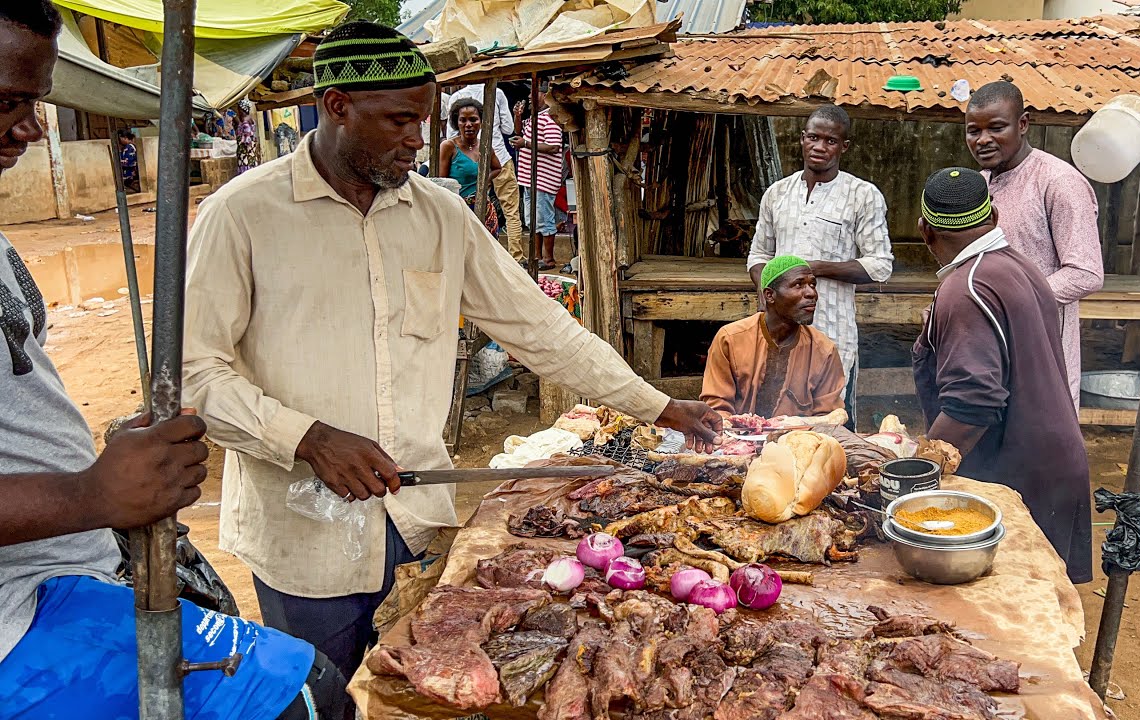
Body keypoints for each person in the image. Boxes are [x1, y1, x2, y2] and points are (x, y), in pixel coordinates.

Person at [182, 20, 722, 690]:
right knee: (323, 693)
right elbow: (194, 376)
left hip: (417, 518)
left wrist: (658, 405)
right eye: (400, 120)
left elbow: (539, 327)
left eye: (423, 119)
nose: (418, 139)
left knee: (422, 688)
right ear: (338, 107)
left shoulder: (439, 214)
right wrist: (309, 439)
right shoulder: (241, 216)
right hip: (303, 534)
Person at [0, 3, 348, 718]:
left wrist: (102, 478)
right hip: (16, 620)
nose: (34, 128)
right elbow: (203, 367)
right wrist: (88, 496)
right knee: (307, 696)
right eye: (9, 100)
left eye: (36, 102)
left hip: (70, 564)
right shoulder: (243, 210)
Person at [912, 167, 1092, 583]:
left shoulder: (967, 287)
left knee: (1013, 611)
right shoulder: (1021, 266)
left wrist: (921, 473)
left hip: (1015, 475)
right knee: (1042, 609)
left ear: (924, 230)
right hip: (1053, 460)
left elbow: (972, 402)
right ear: (993, 216)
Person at [747, 104, 894, 427]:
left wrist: (812, 269)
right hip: (778, 331)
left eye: (830, 140)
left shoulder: (862, 195)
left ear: (844, 146)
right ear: (802, 139)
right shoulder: (777, 194)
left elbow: (879, 265)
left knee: (834, 424)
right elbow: (758, 256)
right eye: (814, 137)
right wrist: (766, 295)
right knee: (776, 421)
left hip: (833, 331)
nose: (819, 146)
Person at [964, 81, 1104, 407]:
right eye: (974, 131)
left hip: (1041, 342)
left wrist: (1010, 301)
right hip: (990, 342)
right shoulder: (981, 184)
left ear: (1023, 124)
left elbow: (1086, 272)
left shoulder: (1058, 182)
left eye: (996, 128)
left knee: (1040, 432)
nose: (983, 140)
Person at [702, 255, 845, 418]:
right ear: (769, 295)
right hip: (736, 439)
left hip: (797, 441)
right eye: (798, 285)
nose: (812, 293)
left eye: (813, 285)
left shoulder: (824, 350)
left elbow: (828, 418)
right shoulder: (730, 339)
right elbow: (717, 408)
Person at [447, 83, 524, 262]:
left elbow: (451, 134)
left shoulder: (456, 96)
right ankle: (517, 258)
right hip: (500, 157)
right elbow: (507, 128)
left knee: (469, 212)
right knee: (511, 211)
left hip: (470, 161)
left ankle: (476, 257)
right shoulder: (497, 93)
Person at [430, 96, 500, 235]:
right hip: (458, 210)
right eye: (463, 120)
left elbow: (497, 168)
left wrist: (485, 181)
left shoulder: (485, 147)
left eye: (473, 119)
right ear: (457, 123)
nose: (468, 124)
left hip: (483, 210)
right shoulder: (449, 146)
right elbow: (441, 182)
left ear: (481, 122)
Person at [511, 89, 563, 271]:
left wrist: (525, 144)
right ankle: (537, 256)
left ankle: (548, 259)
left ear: (544, 95)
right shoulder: (534, 118)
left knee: (543, 219)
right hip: (530, 178)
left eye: (533, 94)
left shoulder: (550, 118)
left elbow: (554, 146)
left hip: (543, 178)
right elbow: (519, 132)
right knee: (532, 219)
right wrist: (517, 116)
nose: (528, 98)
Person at [236, 98, 261, 175]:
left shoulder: (245, 122)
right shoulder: (251, 119)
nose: (238, 111)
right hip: (251, 152)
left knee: (246, 171)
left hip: (245, 152)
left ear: (242, 109)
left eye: (239, 109)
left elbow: (247, 138)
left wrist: (240, 141)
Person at [118, 128, 140, 193]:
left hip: (130, 173)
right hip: (127, 173)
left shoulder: (130, 147)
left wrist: (118, 163)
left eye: (120, 139)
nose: (119, 141)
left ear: (125, 138)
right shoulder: (126, 147)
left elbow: (129, 162)